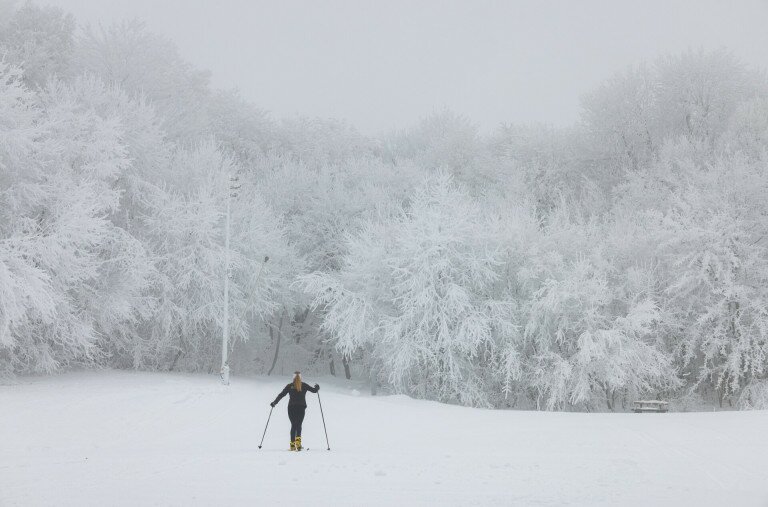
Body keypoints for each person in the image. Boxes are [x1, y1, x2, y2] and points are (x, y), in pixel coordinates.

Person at [271, 371, 319, 451]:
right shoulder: (303, 385)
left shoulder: (290, 386)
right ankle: (298, 445)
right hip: (301, 407)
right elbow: (314, 391)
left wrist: (274, 402)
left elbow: (282, 394)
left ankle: (292, 446)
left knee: (293, 425)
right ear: (300, 377)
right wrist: (317, 387)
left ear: (293, 377)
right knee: (299, 425)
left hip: (291, 407)